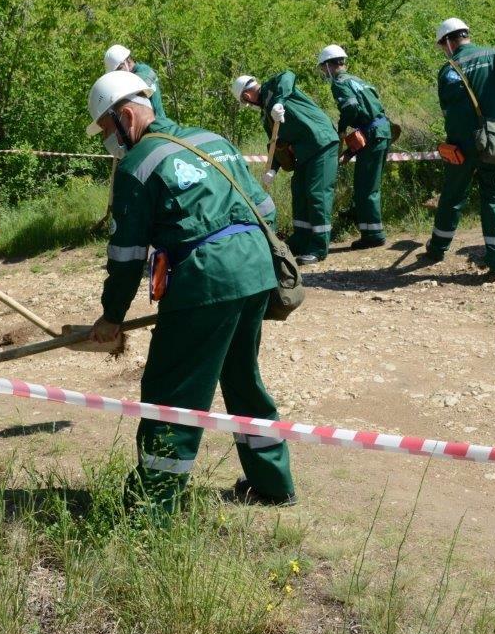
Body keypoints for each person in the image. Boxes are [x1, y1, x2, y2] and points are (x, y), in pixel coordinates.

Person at [85, 70, 295, 513]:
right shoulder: (212, 139)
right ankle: (273, 484)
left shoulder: (137, 164)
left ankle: (153, 505)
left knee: (171, 390)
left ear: (125, 116)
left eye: (106, 130)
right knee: (242, 379)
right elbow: (266, 208)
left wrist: (111, 316)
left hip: (206, 280)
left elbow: (125, 256)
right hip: (256, 271)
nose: (109, 141)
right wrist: (246, 260)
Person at [424, 18, 495, 279]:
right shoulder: (493, 55)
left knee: (451, 196)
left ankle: (437, 249)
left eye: (442, 45)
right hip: (492, 140)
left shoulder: (447, 69)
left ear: (448, 41)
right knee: (493, 197)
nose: (443, 50)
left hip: (460, 146)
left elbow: (447, 110)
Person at [232, 70, 340, 264]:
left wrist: (279, 101)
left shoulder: (274, 87)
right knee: (299, 191)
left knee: (317, 194)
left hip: (321, 142)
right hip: (303, 152)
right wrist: (273, 169)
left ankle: (318, 247)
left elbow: (288, 75)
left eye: (245, 102)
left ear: (246, 96)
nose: (248, 105)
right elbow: (276, 144)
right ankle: (300, 239)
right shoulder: (267, 116)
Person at [318, 43, 393, 248]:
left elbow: (350, 107)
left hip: (373, 134)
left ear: (329, 65)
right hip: (381, 131)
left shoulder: (340, 83)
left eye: (323, 68)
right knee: (368, 184)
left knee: (365, 187)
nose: (324, 73)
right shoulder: (359, 81)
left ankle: (373, 235)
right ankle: (369, 229)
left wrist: (342, 129)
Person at [104, 44, 166, 119]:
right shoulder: (128, 80)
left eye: (119, 68)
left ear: (128, 61)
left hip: (158, 125)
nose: (118, 75)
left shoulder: (145, 71)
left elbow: (136, 88)